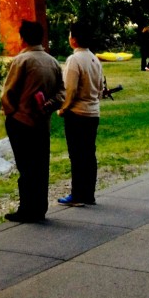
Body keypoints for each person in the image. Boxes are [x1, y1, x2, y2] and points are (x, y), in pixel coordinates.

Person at [0, 20, 65, 223]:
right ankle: (40, 207)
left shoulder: (22, 61)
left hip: (22, 120)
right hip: (42, 122)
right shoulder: (53, 62)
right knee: (41, 165)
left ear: (23, 38)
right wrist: (49, 105)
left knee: (26, 167)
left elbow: (8, 92)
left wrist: (11, 113)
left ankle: (27, 209)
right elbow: (62, 92)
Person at [58, 22, 104, 208]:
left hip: (77, 113)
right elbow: (100, 87)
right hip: (93, 111)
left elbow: (69, 88)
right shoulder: (95, 59)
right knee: (89, 154)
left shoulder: (74, 60)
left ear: (74, 39)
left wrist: (63, 108)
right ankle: (89, 193)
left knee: (77, 155)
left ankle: (77, 194)